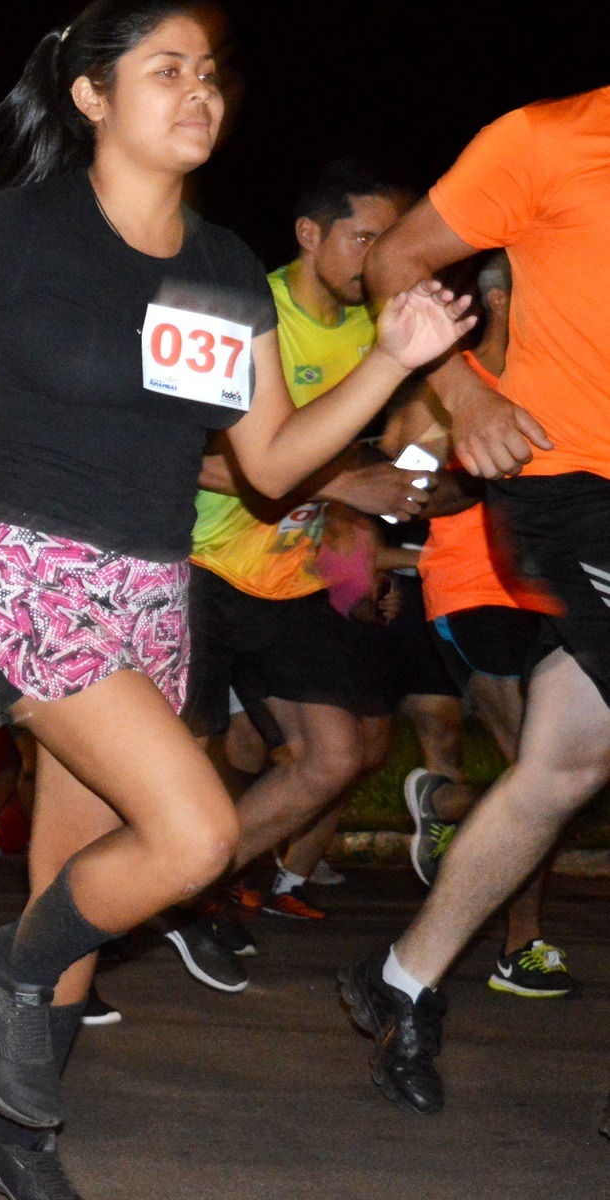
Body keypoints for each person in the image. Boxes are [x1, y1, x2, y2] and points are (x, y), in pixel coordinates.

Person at [0, 1, 471, 1190]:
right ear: (91, 97)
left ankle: (10, 1139)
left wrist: (389, 360)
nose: (198, 94)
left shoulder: (224, 270)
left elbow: (273, 465)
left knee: (76, 877)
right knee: (194, 834)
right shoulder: (16, 230)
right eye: (163, 70)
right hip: (24, 569)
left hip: (148, 591)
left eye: (210, 76)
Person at [345, 88, 610, 1110]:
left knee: (561, 763)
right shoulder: (545, 140)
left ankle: (400, 979)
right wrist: (463, 397)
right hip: (565, 482)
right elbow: (392, 261)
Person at [168, 160, 432, 989]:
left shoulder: (377, 328)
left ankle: (185, 890)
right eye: (364, 238)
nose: (378, 257)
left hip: (290, 580)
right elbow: (190, 459)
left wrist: (359, 571)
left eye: (393, 241)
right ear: (309, 235)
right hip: (202, 563)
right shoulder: (246, 312)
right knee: (188, 757)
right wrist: (345, 485)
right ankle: (137, 893)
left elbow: (369, 471)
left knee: (335, 754)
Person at [389, 253, 570, 999]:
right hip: (474, 590)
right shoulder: (446, 384)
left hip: (559, 598)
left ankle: (442, 803)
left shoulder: (567, 379)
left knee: (559, 774)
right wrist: (451, 465)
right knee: (537, 764)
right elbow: (400, 492)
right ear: (499, 300)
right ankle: (519, 944)